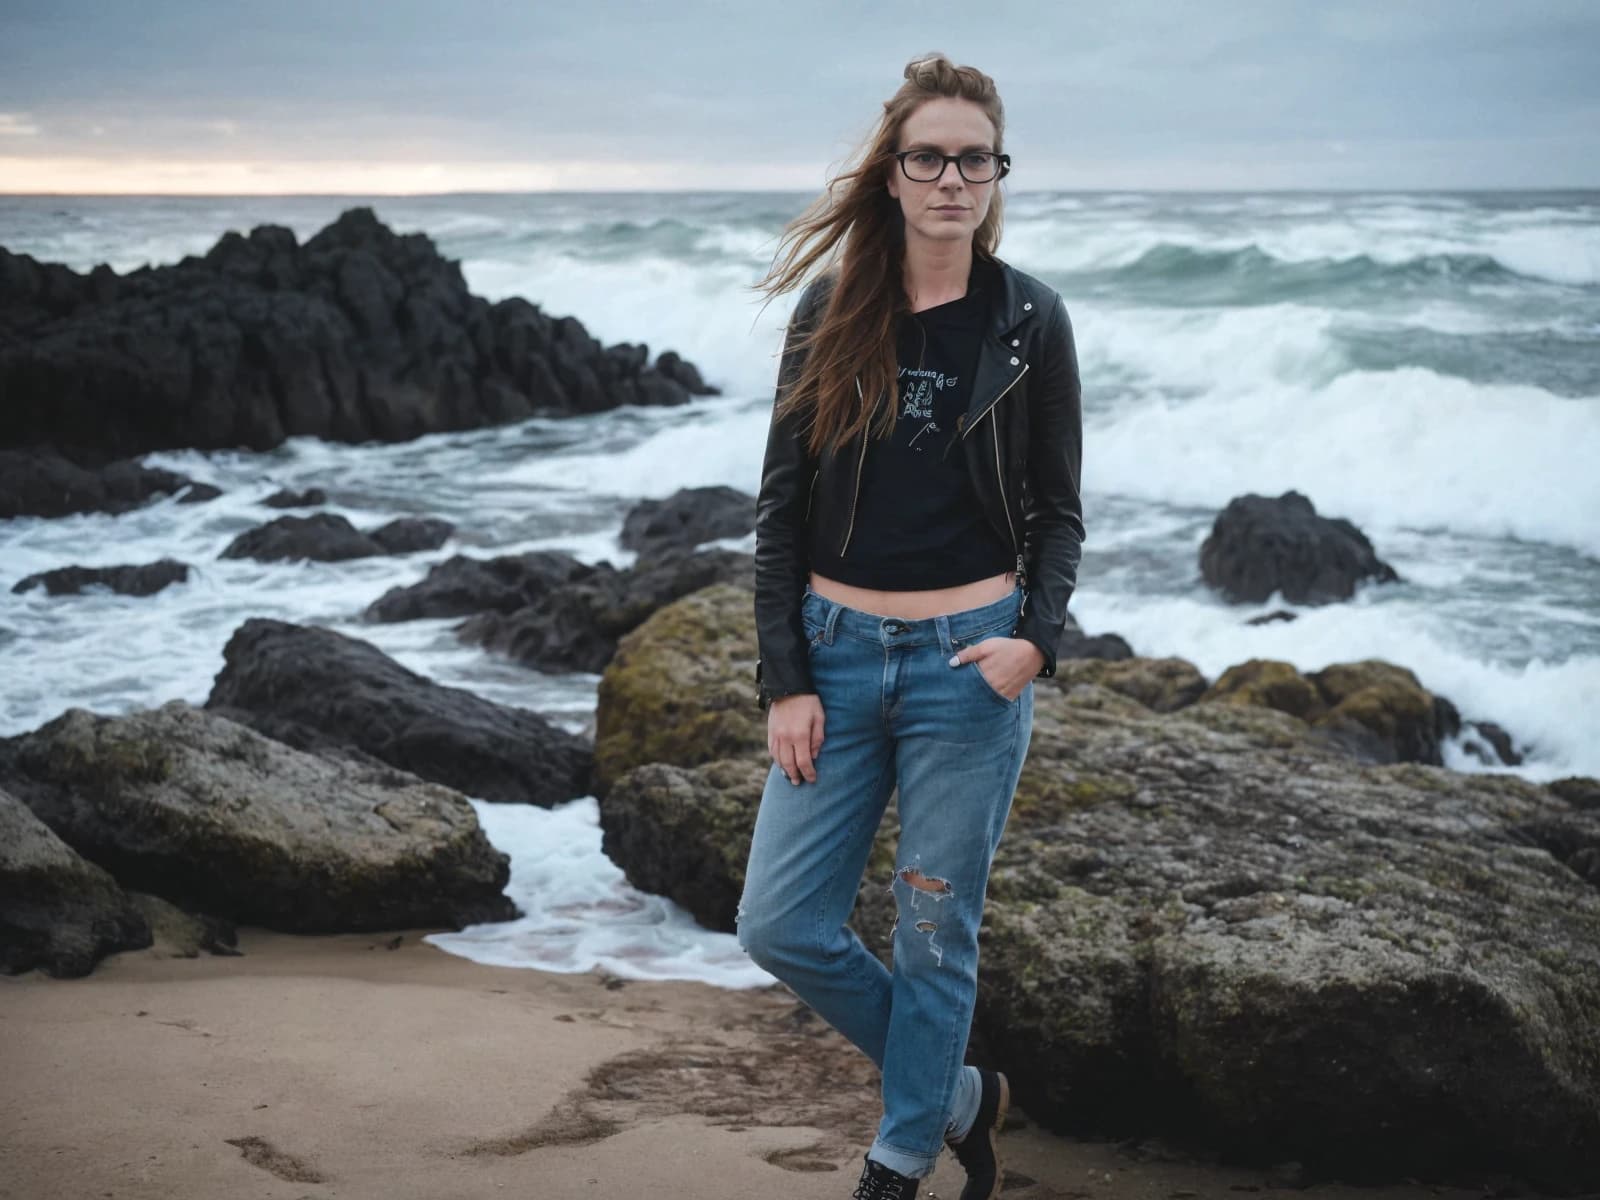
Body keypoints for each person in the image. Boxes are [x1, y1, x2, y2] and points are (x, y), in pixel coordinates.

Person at [734, 52, 1085, 1200]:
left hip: (967, 668)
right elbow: (781, 503)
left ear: (995, 175)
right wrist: (784, 676)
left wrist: (1036, 638)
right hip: (835, 657)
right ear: (892, 173)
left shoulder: (1030, 319)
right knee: (779, 924)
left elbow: (1058, 508)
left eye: (972, 159)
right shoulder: (831, 308)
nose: (950, 178)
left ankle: (897, 1161)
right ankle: (957, 1097)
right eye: (928, 157)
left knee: (937, 931)